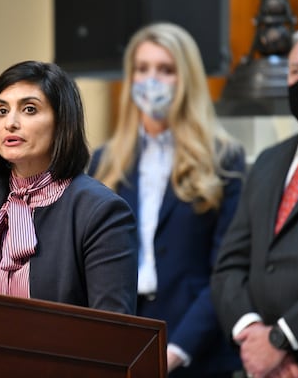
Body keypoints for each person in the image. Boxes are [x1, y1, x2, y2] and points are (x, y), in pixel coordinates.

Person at [88, 22, 245, 377]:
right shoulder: (105, 161)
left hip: (195, 347)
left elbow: (226, 271)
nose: (151, 80)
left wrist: (176, 351)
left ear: (185, 78)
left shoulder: (223, 160)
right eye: (142, 69)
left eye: (166, 70)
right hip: (121, 339)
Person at [0, 60, 138, 315]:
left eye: (29, 109)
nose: (10, 123)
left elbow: (113, 331)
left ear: (61, 122)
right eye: (1, 111)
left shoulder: (100, 210)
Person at [211, 24, 298, 378]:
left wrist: (282, 339)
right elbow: (228, 266)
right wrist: (253, 334)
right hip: (261, 366)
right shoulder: (269, 161)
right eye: (296, 71)